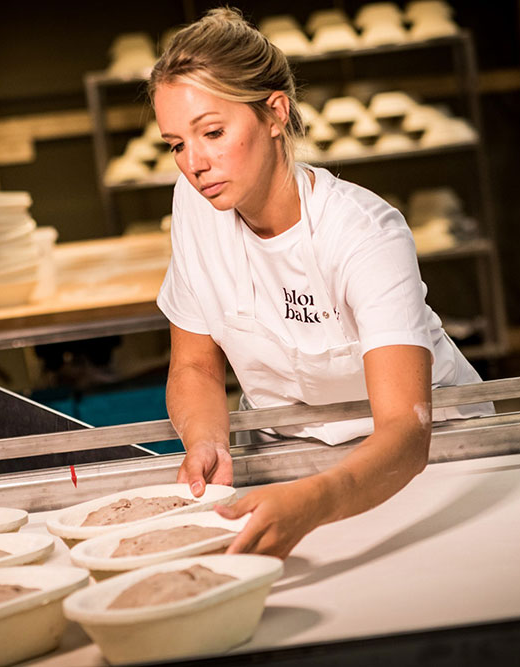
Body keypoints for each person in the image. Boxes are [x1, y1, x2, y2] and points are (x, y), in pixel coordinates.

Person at [151, 8, 491, 558]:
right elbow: (193, 364)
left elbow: (407, 428)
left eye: (212, 132)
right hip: (293, 466)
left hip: (432, 462)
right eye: (176, 144)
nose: (194, 163)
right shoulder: (194, 207)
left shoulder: (362, 233)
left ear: (275, 114)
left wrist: (314, 502)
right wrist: (206, 439)